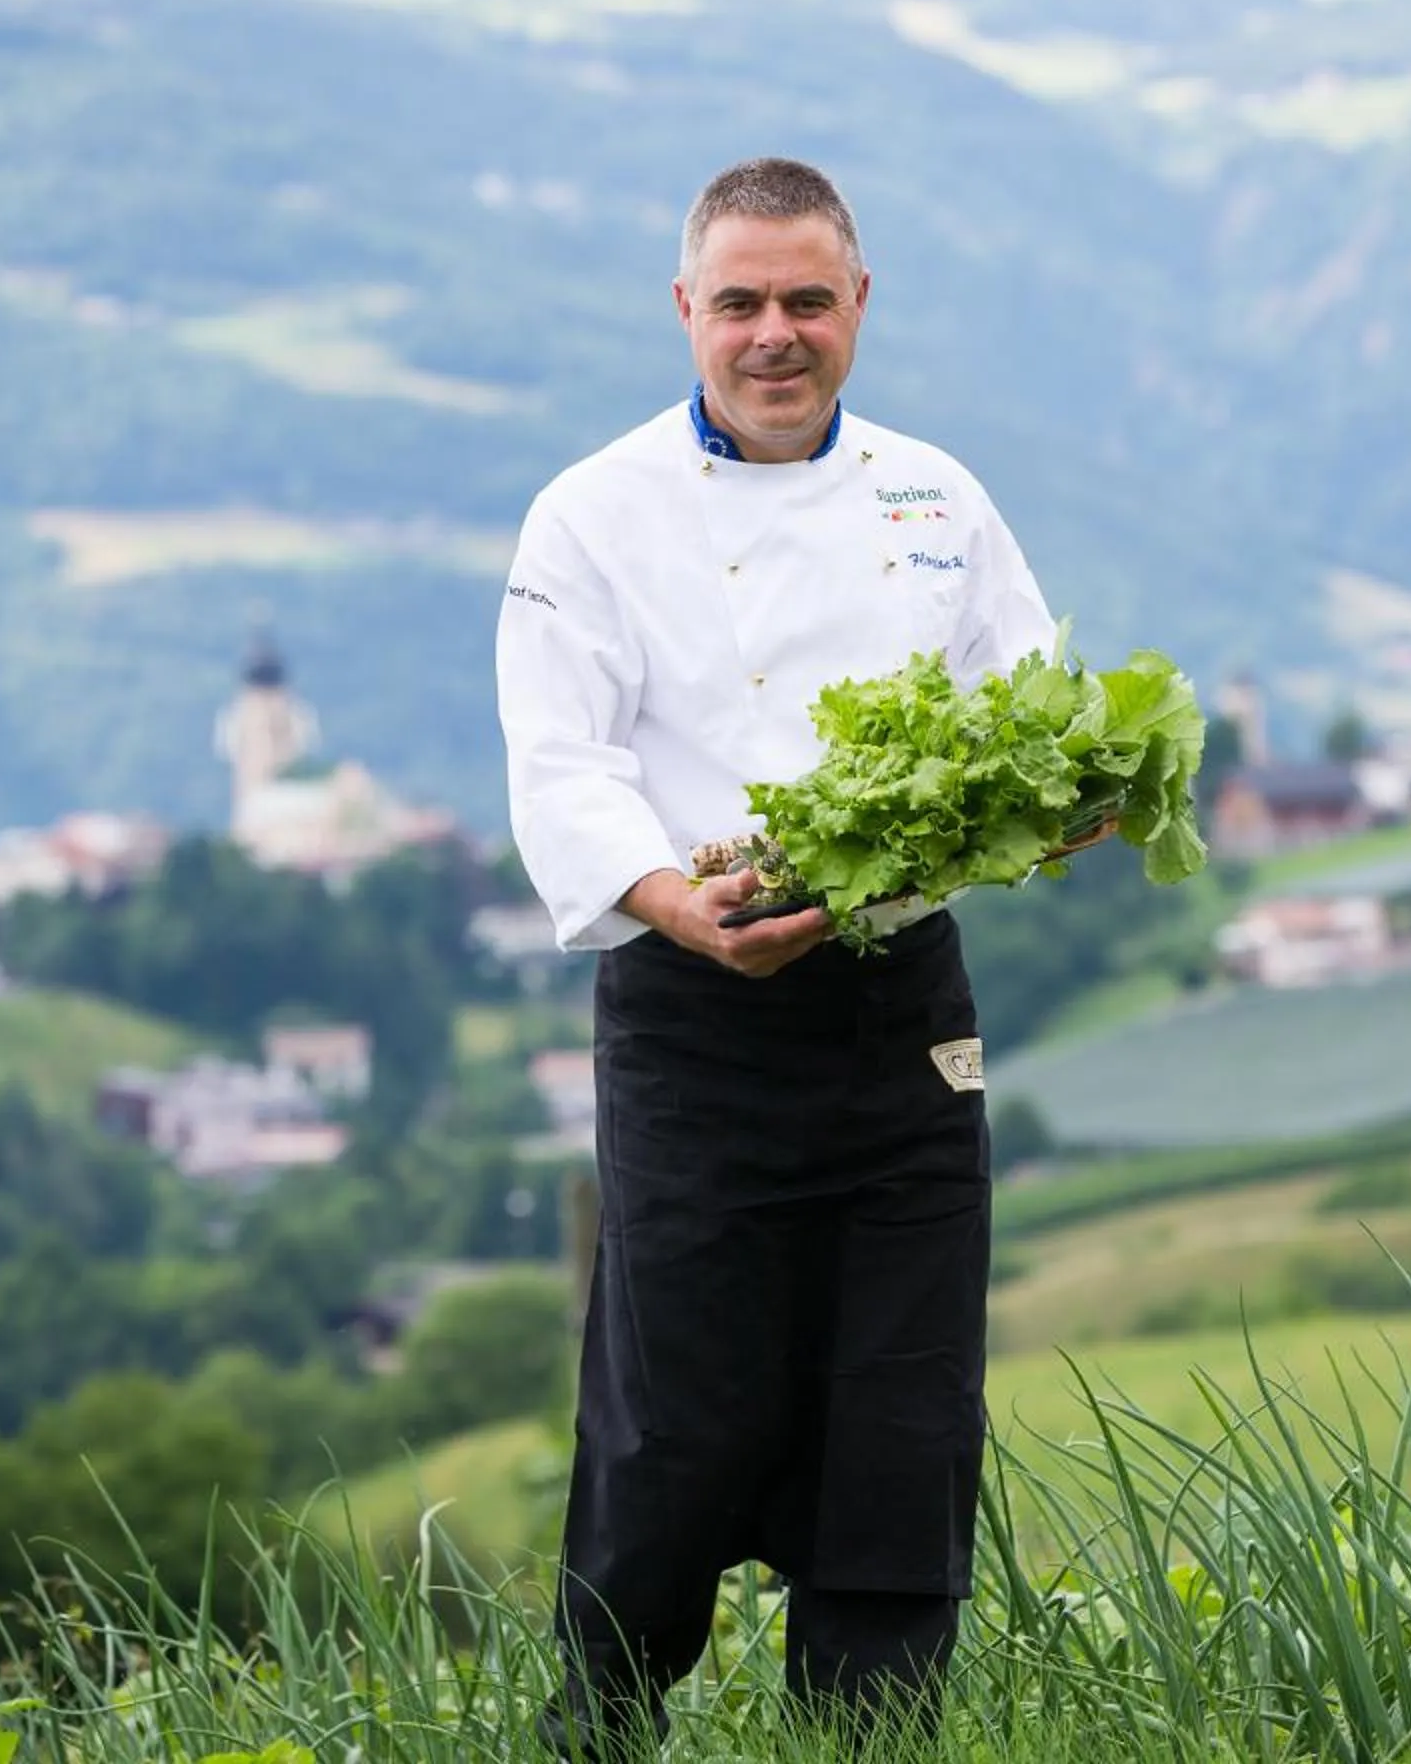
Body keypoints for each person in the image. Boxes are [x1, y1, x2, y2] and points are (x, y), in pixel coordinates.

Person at [496, 156, 1058, 1754]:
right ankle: (598, 1729)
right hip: (693, 1015)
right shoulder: (591, 514)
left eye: (808, 299)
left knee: (908, 1407)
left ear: (859, 306)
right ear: (686, 309)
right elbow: (562, 763)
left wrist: (1061, 801)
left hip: (906, 1015)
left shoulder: (937, 500)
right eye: (739, 301)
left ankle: (868, 1740)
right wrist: (677, 902)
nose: (774, 334)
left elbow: (1033, 707)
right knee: (674, 1421)